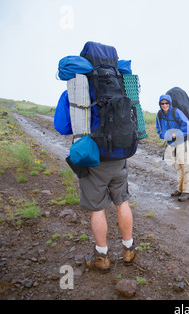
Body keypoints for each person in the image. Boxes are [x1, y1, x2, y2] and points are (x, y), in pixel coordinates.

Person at [54, 91, 137, 274]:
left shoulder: (75, 88)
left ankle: (101, 257)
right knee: (122, 202)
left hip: (93, 157)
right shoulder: (120, 84)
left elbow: (62, 126)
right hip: (120, 155)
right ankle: (129, 251)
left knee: (97, 208)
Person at [156, 94, 189, 202]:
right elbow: (158, 128)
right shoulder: (159, 114)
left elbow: (187, 125)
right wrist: (163, 135)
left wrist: (176, 134)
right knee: (178, 167)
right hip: (170, 145)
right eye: (162, 103)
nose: (165, 105)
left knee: (186, 166)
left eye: (166, 103)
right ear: (160, 104)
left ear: (170, 103)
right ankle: (180, 189)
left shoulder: (176, 112)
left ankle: (187, 191)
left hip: (181, 143)